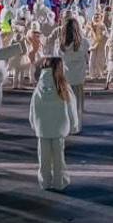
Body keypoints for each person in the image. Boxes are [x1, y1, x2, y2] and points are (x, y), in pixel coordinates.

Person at [28, 56, 78, 191]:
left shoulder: (39, 87)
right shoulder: (62, 86)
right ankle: (59, 181)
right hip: (59, 127)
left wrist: (33, 123)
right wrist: (74, 125)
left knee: (43, 157)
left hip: (42, 128)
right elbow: (71, 107)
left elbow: (33, 107)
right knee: (58, 156)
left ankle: (44, 182)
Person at [57, 17, 88, 132]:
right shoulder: (84, 42)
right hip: (79, 76)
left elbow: (59, 57)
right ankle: (76, 126)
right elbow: (85, 55)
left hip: (66, 76)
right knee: (78, 103)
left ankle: (66, 125)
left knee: (66, 102)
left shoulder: (61, 45)